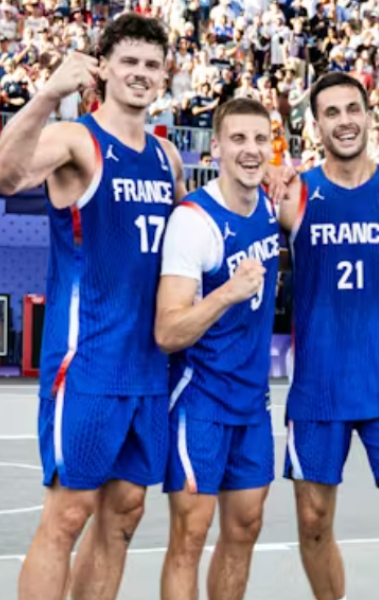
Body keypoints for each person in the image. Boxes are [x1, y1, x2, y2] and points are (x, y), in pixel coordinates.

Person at [0, 14, 186, 600]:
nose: (141, 74)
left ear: (165, 74)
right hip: (88, 360)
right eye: (129, 62)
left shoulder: (167, 157)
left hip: (148, 366)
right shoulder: (77, 140)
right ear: (104, 68)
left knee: (124, 514)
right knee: (68, 514)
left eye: (152, 64)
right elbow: (2, 177)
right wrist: (48, 94)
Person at [272, 72, 379, 600]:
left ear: (370, 117)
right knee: (313, 524)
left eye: (353, 109)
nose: (344, 121)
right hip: (319, 386)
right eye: (331, 112)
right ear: (315, 125)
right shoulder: (294, 195)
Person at [154, 98, 281, 600]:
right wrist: (227, 293)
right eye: (238, 139)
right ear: (216, 148)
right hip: (200, 400)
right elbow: (167, 332)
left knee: (245, 528)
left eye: (260, 139)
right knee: (190, 535)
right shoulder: (194, 221)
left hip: (251, 400)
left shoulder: (269, 204)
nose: (251, 150)